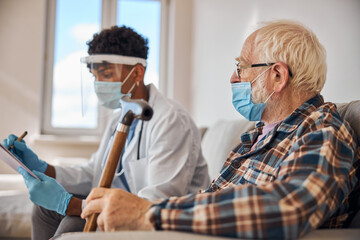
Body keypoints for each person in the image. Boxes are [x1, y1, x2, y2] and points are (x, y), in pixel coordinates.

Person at [80, 20, 360, 239]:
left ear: (277, 76)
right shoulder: (254, 137)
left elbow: (287, 208)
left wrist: (150, 213)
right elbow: (211, 201)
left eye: (241, 67)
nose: (232, 78)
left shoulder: (323, 132)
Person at [2, 26, 210, 240]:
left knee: (74, 222)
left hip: (159, 223)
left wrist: (71, 205)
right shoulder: (118, 120)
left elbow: (154, 203)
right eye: (95, 77)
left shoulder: (171, 120)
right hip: (123, 210)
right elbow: (94, 174)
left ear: (137, 72)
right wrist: (42, 167)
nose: (98, 85)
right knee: (44, 210)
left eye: (107, 75)